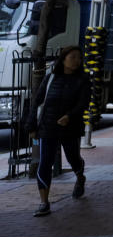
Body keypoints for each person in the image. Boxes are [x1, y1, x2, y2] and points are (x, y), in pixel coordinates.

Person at [28, 45, 91, 217]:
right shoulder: (50, 78)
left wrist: (69, 116)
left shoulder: (83, 80)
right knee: (45, 162)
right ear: (63, 59)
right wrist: (31, 125)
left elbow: (83, 103)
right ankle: (44, 202)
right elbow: (37, 101)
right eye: (73, 57)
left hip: (70, 127)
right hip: (48, 127)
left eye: (79, 57)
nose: (77, 61)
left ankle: (80, 176)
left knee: (73, 158)